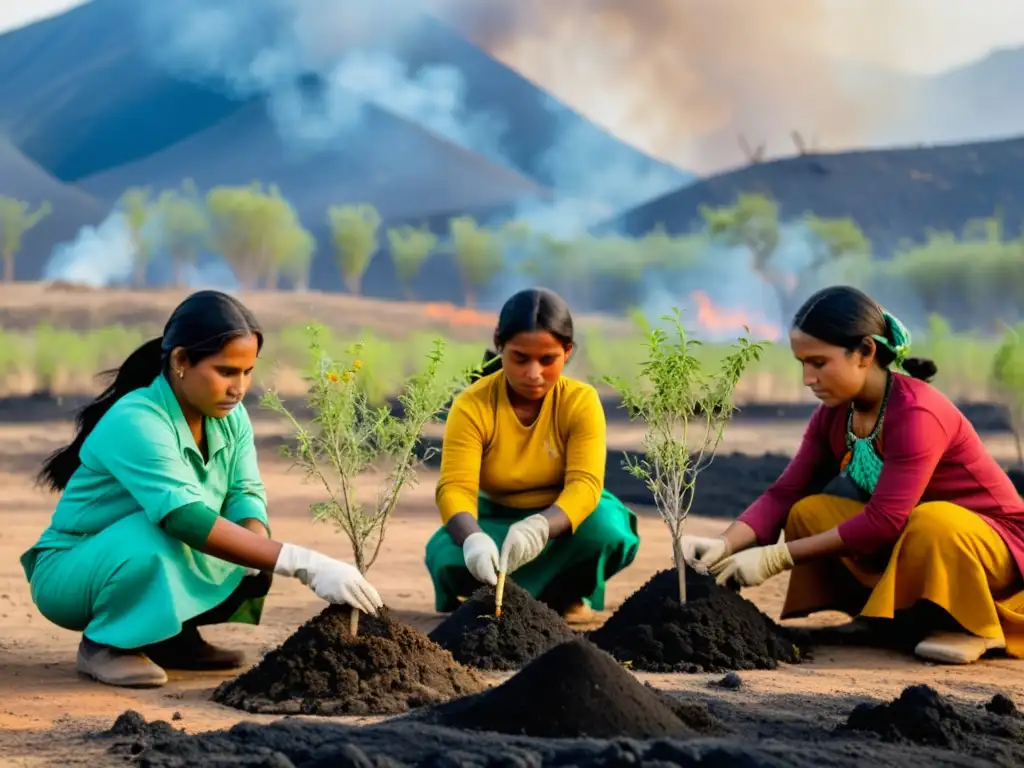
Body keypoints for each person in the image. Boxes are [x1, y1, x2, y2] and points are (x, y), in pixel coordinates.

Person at [22, 290, 383, 689]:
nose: (239, 387)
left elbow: (245, 492)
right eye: (226, 371)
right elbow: (184, 518)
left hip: (150, 547)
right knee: (160, 536)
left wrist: (256, 546)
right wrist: (304, 563)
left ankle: (172, 639)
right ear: (180, 361)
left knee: (251, 552)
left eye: (247, 372)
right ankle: (106, 644)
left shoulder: (231, 417)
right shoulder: (137, 419)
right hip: (72, 573)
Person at [681, 285, 1024, 665]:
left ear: (865, 352)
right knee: (809, 512)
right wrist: (725, 544)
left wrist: (774, 558)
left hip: (994, 550)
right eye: (802, 364)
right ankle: (881, 618)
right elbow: (785, 493)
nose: (808, 378)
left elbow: (884, 521)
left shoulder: (916, 414)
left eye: (819, 363)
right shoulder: (834, 414)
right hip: (912, 538)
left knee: (931, 521)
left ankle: (969, 624)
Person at [424, 287, 640, 623]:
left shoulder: (580, 402)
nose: (533, 373)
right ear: (499, 344)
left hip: (560, 523)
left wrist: (540, 527)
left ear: (567, 352)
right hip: (493, 520)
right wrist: (474, 540)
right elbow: (455, 488)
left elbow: (585, 484)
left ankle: (563, 597)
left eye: (548, 359)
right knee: (449, 558)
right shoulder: (473, 404)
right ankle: (493, 597)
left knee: (606, 529)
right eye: (520, 358)